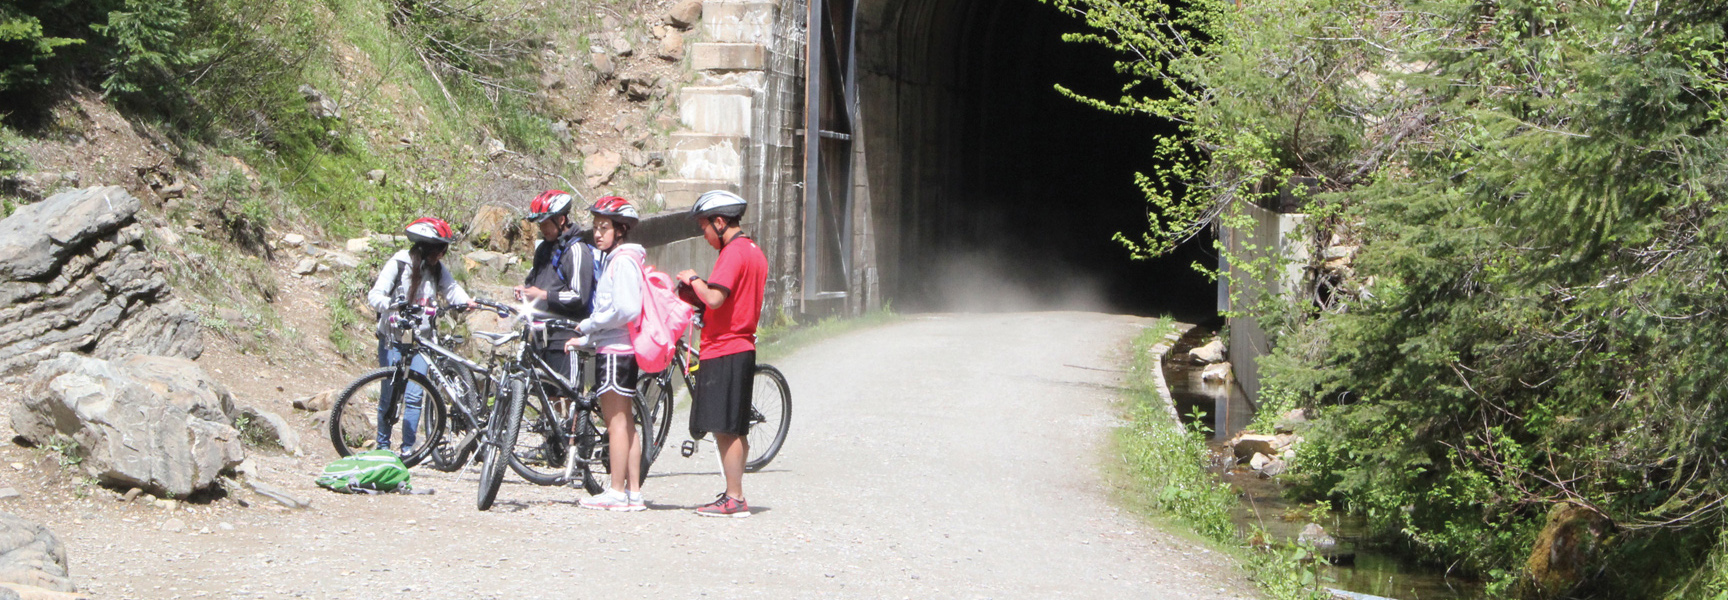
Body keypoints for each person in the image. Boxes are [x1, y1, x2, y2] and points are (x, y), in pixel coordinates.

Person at [677, 190, 768, 518]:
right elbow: (729, 301)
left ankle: (734, 497)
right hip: (743, 345)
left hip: (725, 348)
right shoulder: (755, 251)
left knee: (725, 428)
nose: (704, 235)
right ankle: (735, 492)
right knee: (736, 426)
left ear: (719, 222)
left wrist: (692, 279)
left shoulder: (733, 253)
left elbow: (714, 298)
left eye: (704, 227)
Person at [365, 217, 473, 455]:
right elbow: (375, 296)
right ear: (427, 248)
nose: (442, 255)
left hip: (422, 340)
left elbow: (452, 289)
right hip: (394, 336)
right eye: (440, 250)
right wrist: (395, 305)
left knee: (415, 396)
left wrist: (466, 301)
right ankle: (382, 447)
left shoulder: (437, 269)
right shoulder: (400, 263)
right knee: (390, 392)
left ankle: (408, 449)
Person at [569, 196, 647, 511]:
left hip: (615, 350)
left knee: (616, 423)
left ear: (620, 230)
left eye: (605, 227)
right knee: (626, 423)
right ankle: (634, 493)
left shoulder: (622, 261)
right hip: (618, 347)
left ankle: (616, 491)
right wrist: (589, 336)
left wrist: (590, 325)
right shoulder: (621, 258)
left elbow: (626, 309)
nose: (598, 234)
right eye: (596, 228)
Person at [514, 190, 598, 422]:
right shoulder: (543, 249)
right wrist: (525, 290)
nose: (541, 228)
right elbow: (535, 281)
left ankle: (572, 447)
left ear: (561, 220)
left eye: (545, 222)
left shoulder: (576, 250)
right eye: (539, 223)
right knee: (547, 393)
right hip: (542, 333)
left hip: (566, 334)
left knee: (567, 393)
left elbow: (579, 296)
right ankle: (550, 446)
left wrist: (544, 295)